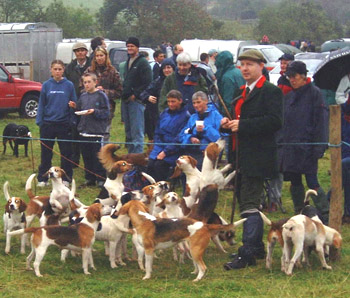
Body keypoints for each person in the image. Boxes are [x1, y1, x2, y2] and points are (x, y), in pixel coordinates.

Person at [221, 49, 283, 269]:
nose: (245, 69)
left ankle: (247, 253)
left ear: (260, 66)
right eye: (242, 65)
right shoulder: (242, 92)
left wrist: (243, 125)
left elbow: (275, 121)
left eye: (249, 64)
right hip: (240, 155)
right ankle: (256, 247)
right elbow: (240, 121)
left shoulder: (270, 91)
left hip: (259, 156)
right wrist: (229, 126)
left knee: (249, 202)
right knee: (245, 199)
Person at [280, 61, 329, 222]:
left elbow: (321, 122)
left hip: (308, 147)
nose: (291, 80)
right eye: (289, 77)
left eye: (294, 76)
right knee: (295, 181)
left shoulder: (315, 94)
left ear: (303, 76)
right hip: (292, 146)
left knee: (312, 181)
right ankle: (299, 213)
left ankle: (325, 213)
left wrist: (319, 147)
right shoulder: (289, 97)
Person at [36, 60, 77, 187]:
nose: (57, 72)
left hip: (64, 124)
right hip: (48, 124)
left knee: (66, 153)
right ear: (51, 70)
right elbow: (42, 104)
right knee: (46, 153)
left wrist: (72, 120)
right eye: (55, 69)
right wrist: (40, 120)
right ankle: (43, 178)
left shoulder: (69, 85)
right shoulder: (46, 85)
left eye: (60, 69)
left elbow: (74, 103)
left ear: (63, 70)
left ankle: (66, 178)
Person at [69, 73, 110, 188]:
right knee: (86, 156)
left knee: (97, 156)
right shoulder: (83, 96)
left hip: (96, 131)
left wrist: (95, 112)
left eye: (89, 82)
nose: (86, 84)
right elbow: (80, 109)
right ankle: (89, 178)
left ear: (95, 82)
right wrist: (74, 107)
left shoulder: (101, 96)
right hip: (84, 131)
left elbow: (106, 112)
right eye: (85, 82)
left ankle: (101, 178)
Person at [147, 90, 189, 182]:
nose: (170, 104)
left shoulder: (185, 116)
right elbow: (157, 131)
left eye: (173, 101)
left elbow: (180, 138)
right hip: (160, 146)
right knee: (150, 164)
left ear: (180, 101)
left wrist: (165, 152)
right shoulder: (164, 113)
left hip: (175, 150)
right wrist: (157, 147)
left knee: (159, 165)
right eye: (169, 101)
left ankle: (163, 186)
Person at [121, 37, 152, 153]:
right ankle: (130, 158)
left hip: (136, 102)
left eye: (132, 46)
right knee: (128, 132)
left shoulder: (143, 63)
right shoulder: (128, 61)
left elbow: (148, 82)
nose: (129, 48)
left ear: (137, 48)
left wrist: (136, 94)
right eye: (128, 46)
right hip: (126, 101)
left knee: (137, 133)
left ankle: (137, 160)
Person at [85, 46, 122, 142]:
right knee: (91, 134)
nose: (99, 58)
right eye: (97, 56)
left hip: (107, 108)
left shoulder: (112, 71)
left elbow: (119, 91)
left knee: (104, 134)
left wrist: (104, 91)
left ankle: (103, 155)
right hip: (90, 106)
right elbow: (81, 87)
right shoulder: (89, 71)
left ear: (106, 56)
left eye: (101, 55)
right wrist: (92, 89)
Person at [178, 91, 223, 169]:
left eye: (198, 102)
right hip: (192, 151)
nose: (196, 105)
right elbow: (182, 135)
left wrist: (205, 129)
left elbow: (219, 138)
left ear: (206, 101)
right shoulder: (193, 117)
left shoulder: (216, 116)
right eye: (194, 103)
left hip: (208, 153)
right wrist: (190, 138)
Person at [64, 42, 91, 166]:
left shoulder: (92, 65)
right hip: (74, 102)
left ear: (86, 52)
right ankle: (75, 159)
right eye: (77, 51)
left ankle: (90, 160)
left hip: (89, 101)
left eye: (82, 50)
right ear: (75, 53)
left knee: (88, 131)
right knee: (74, 131)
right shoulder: (70, 67)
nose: (80, 53)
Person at [140, 58, 176, 142]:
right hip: (158, 115)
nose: (166, 70)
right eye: (164, 68)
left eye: (168, 67)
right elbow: (144, 93)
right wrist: (148, 97)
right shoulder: (158, 81)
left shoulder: (177, 81)